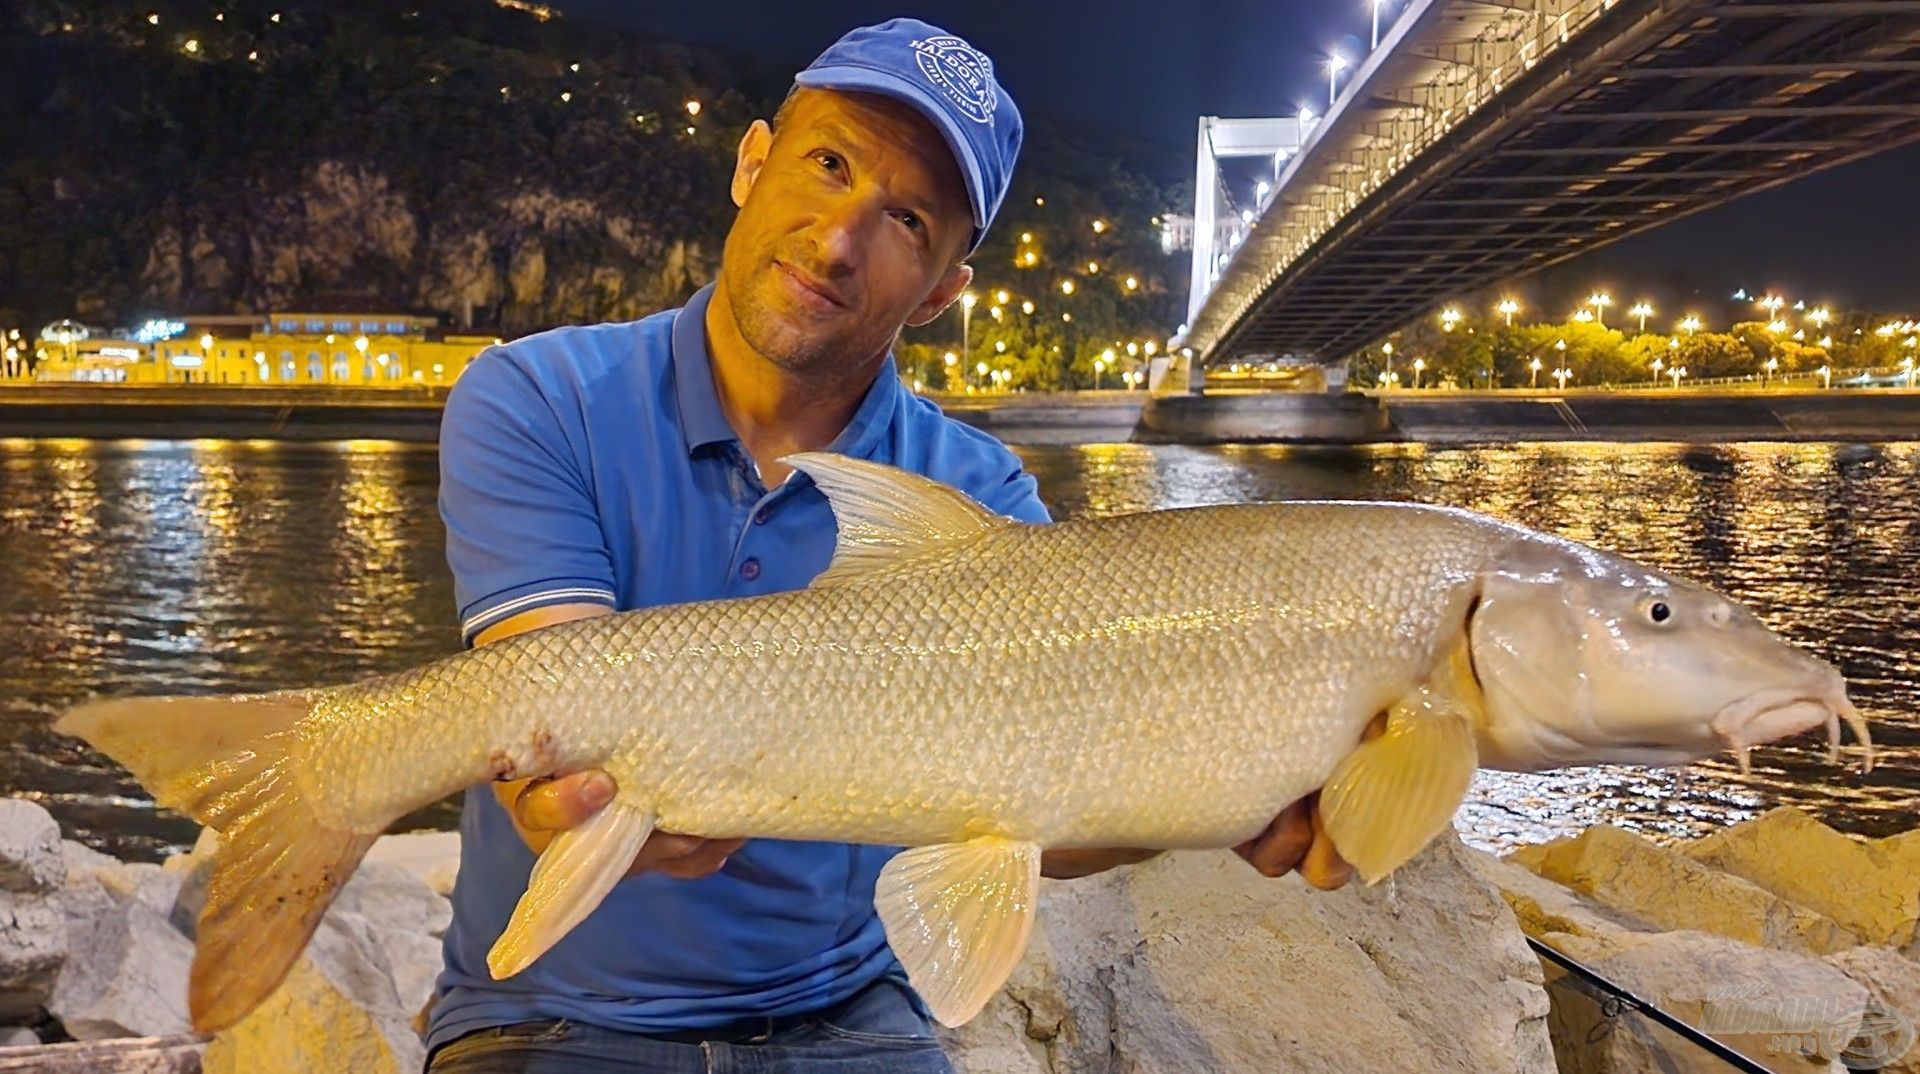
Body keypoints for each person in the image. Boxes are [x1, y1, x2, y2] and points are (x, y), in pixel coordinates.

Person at [427, 18, 1357, 1073]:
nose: (836, 240)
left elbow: (1041, 806)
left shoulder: (976, 494)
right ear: (751, 161)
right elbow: (547, 711)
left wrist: (1222, 801)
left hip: (845, 1023)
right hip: (553, 1016)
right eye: (828, 164)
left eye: (907, 220)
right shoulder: (536, 398)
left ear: (943, 290)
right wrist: (562, 792)